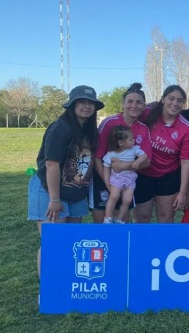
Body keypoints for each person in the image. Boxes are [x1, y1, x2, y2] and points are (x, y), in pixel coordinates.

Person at [27, 85, 103, 277]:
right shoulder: (60, 128)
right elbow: (52, 165)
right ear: (72, 104)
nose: (87, 106)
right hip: (50, 191)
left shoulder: (89, 128)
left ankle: (65, 282)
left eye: (90, 103)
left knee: (71, 240)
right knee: (53, 242)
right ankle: (47, 291)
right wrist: (54, 199)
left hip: (76, 193)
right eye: (82, 102)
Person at [90, 83, 152, 223]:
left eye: (139, 102)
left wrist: (124, 166)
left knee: (121, 223)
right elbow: (98, 157)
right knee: (103, 225)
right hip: (104, 179)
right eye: (130, 101)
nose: (134, 105)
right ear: (123, 103)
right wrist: (108, 183)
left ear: (144, 106)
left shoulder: (143, 129)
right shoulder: (109, 123)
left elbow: (147, 161)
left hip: (126, 180)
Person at [135, 85, 189, 223]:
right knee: (141, 218)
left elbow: (186, 162)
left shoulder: (185, 129)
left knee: (166, 218)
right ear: (163, 99)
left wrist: (183, 192)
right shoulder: (147, 114)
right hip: (143, 173)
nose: (174, 103)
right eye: (171, 98)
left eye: (179, 101)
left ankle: (164, 245)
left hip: (168, 175)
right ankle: (142, 245)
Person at [102, 125, 148, 224]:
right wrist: (107, 181)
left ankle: (119, 219)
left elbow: (144, 156)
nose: (134, 140)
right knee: (114, 196)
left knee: (127, 200)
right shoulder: (111, 154)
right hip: (117, 178)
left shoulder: (135, 149)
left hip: (130, 179)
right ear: (121, 142)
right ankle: (108, 217)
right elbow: (106, 167)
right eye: (131, 139)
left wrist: (138, 162)